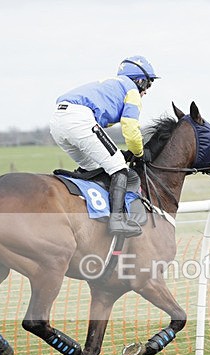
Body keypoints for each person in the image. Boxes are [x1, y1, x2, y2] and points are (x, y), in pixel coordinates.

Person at [49, 55, 159, 237]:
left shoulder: (114, 85)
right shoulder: (131, 91)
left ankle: (87, 212)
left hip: (57, 122)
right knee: (119, 169)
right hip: (79, 118)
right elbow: (131, 130)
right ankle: (117, 221)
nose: (146, 91)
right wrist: (138, 152)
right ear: (139, 80)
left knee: (95, 168)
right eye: (148, 84)